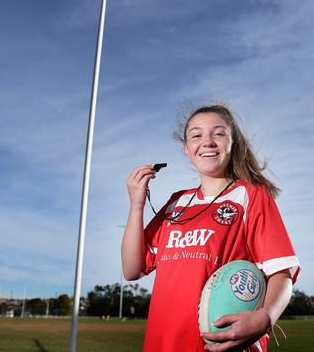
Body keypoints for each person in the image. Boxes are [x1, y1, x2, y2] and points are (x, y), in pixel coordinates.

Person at [121, 104, 300, 352]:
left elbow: (282, 272)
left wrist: (265, 318)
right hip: (162, 344)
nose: (207, 142)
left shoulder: (250, 195)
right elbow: (132, 269)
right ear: (186, 148)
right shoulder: (176, 203)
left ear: (233, 142)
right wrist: (136, 205)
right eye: (196, 135)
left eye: (218, 133)